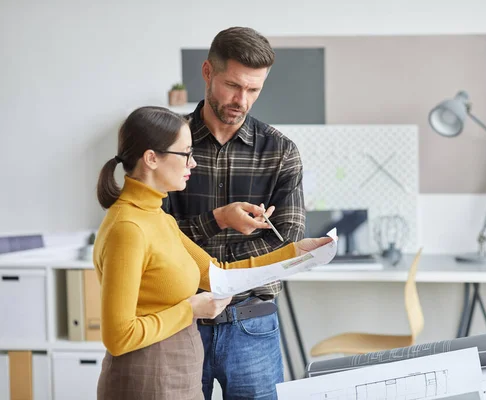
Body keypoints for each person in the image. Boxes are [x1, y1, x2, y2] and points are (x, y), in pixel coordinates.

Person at [93, 106, 328, 400]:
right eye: (185, 154)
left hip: (177, 374)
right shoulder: (128, 227)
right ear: (152, 158)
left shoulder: (157, 218)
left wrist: (294, 253)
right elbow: (118, 336)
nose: (192, 163)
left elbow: (216, 273)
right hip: (148, 379)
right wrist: (191, 310)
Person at [163, 26, 306, 399]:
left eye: (254, 90)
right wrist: (219, 219)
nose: (242, 100)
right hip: (180, 322)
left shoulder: (280, 152)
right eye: (233, 85)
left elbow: (287, 244)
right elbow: (154, 236)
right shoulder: (167, 145)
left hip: (252, 326)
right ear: (208, 72)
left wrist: (216, 272)